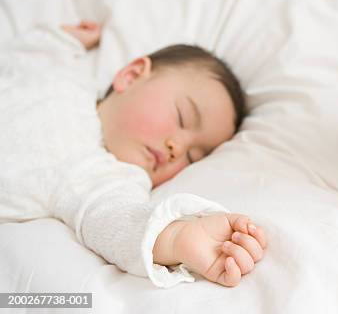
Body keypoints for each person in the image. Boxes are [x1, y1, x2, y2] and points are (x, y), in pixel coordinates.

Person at [0, 20, 266, 288]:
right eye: (182, 117)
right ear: (131, 75)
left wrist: (177, 239)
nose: (178, 148)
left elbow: (119, 220)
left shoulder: (100, 176)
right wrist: (63, 40)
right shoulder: (65, 75)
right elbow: (25, 58)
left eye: (193, 157)